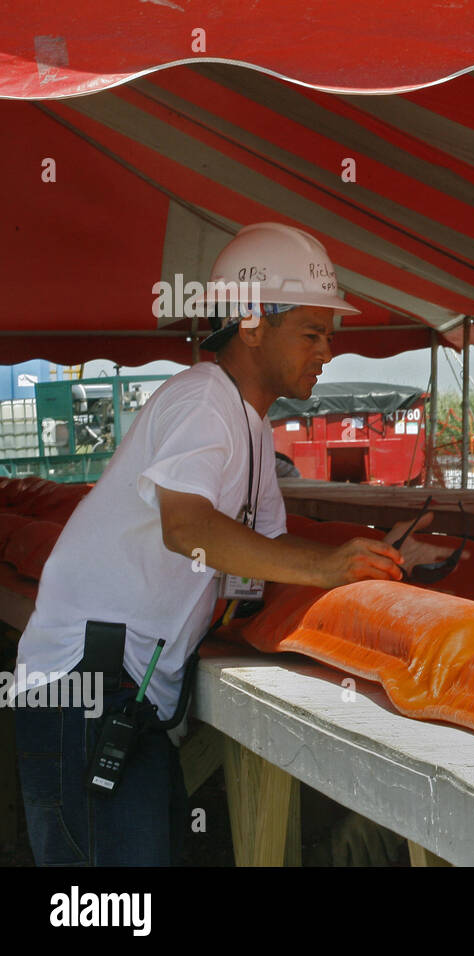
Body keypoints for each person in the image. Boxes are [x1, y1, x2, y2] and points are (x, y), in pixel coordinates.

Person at [13, 222, 432, 865]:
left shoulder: (253, 429)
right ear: (252, 323)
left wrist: (391, 559)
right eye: (313, 333)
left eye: (330, 336)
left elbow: (259, 560)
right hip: (87, 689)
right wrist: (326, 565)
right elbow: (188, 528)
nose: (327, 352)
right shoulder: (204, 399)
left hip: (130, 693)